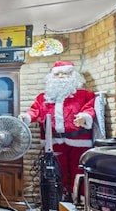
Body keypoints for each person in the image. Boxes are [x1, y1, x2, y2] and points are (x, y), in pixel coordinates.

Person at [19, 60, 96, 193]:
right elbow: (34, 111)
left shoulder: (84, 95)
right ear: (51, 77)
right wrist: (25, 117)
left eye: (65, 74)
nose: (60, 77)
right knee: (55, 173)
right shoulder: (43, 97)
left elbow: (89, 109)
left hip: (79, 141)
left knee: (79, 172)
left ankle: (78, 200)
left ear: (73, 76)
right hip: (53, 141)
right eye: (57, 74)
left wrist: (84, 117)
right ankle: (59, 201)